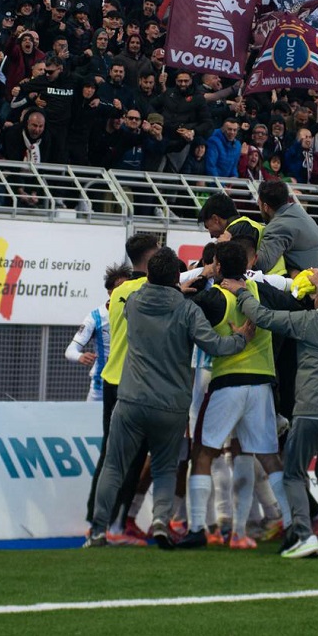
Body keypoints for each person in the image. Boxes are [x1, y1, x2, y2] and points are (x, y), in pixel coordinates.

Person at [88, 248, 253, 549]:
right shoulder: (188, 310)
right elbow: (215, 345)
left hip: (131, 399)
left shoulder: (134, 301)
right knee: (165, 467)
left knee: (114, 465)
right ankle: (161, 521)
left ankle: (99, 530)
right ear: (176, 278)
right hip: (171, 404)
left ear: (148, 275)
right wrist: (241, 337)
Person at [224, 273, 318, 559]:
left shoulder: (311, 321)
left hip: (313, 410)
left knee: (294, 473)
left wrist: (242, 292)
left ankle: (303, 534)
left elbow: (263, 317)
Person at [179, 241, 292, 550]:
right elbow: (295, 301)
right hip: (262, 384)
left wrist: (186, 288)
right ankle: (289, 525)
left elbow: (174, 301)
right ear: (246, 264)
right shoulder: (261, 293)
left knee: (203, 453)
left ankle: (198, 527)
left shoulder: (213, 299)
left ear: (216, 265)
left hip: (227, 382)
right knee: (267, 456)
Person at [84, 234, 158, 532]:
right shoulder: (154, 288)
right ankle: (110, 525)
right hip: (132, 384)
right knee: (128, 455)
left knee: (116, 454)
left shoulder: (118, 293)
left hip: (114, 381)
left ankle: (103, 522)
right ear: (151, 255)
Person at [255, 180, 318, 285]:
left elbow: (262, 264)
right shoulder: (297, 212)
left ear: (265, 207)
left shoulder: (278, 227)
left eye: (258, 204)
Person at [66, 264, 132, 403]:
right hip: (100, 387)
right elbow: (70, 350)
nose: (127, 291)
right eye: (122, 288)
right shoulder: (95, 317)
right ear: (110, 292)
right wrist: (80, 356)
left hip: (130, 385)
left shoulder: (136, 313)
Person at [197, 192, 284, 276]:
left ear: (215, 219)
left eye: (207, 226)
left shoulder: (240, 227)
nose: (210, 235)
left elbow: (235, 266)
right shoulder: (244, 225)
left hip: (272, 278)